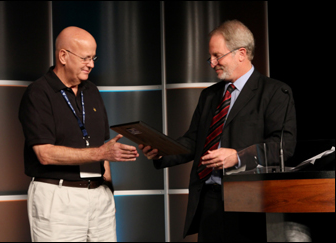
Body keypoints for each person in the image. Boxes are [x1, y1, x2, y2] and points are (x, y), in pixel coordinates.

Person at [139, 20, 297, 242]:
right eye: (210, 57)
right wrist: (162, 151)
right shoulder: (210, 95)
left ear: (241, 53)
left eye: (217, 56)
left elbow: (282, 147)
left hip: (250, 201)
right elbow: (195, 141)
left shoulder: (275, 92)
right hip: (209, 200)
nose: (212, 63)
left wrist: (237, 157)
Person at [19, 26, 139, 242]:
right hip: (58, 197)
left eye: (93, 58)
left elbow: (102, 146)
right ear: (63, 56)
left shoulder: (91, 90)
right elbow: (45, 154)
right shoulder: (38, 93)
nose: (91, 64)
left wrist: (107, 191)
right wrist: (100, 153)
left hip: (98, 196)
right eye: (85, 58)